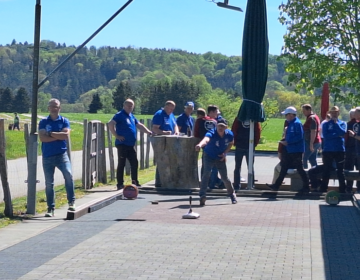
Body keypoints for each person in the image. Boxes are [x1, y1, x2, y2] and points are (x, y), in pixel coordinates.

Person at [38, 98, 75, 217]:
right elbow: (42, 138)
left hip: (61, 155)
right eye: (52, 106)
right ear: (48, 108)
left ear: (60, 108)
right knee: (49, 183)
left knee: (68, 175)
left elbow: (65, 136)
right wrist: (57, 136)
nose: (54, 108)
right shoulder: (43, 122)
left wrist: (49, 134)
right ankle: (50, 208)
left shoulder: (64, 121)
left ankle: (71, 202)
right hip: (47, 156)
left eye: (56, 106)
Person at [108, 99, 152, 190]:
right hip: (122, 144)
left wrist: (149, 132)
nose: (130, 107)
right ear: (124, 106)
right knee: (122, 163)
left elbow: (139, 125)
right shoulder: (119, 115)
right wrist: (117, 135)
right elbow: (110, 124)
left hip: (130, 144)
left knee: (134, 162)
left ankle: (135, 181)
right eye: (128, 105)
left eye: (131, 106)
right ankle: (120, 184)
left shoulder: (131, 116)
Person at [266, 106, 309, 193]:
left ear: (291, 115)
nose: (285, 117)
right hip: (290, 150)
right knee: (284, 167)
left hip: (296, 150)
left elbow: (300, 137)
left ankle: (307, 186)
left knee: (299, 168)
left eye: (286, 115)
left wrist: (288, 142)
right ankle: (276, 185)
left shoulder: (297, 123)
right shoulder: (291, 123)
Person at [195, 118, 237, 206]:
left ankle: (232, 195)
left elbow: (231, 143)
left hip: (219, 156)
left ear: (226, 127)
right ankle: (202, 195)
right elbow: (206, 139)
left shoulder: (229, 134)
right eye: (219, 126)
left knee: (224, 177)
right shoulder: (211, 133)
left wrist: (225, 153)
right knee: (206, 174)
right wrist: (199, 145)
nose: (220, 128)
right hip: (209, 155)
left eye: (222, 126)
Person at [152, 100, 179, 187]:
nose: (171, 111)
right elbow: (155, 129)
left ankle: (168, 180)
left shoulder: (171, 115)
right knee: (162, 161)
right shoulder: (159, 114)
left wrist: (176, 131)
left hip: (171, 141)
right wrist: (164, 132)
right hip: (162, 141)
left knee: (171, 161)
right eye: (170, 109)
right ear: (166, 107)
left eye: (173, 109)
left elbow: (175, 125)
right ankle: (159, 181)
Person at [320, 106, 347, 193]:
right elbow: (326, 136)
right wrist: (336, 135)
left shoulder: (343, 123)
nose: (334, 114)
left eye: (336, 112)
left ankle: (342, 189)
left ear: (338, 113)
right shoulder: (326, 124)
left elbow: (342, 133)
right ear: (330, 114)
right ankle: (323, 188)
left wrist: (336, 125)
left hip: (339, 150)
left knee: (340, 171)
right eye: (332, 112)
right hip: (328, 150)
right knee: (326, 170)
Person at [231, 118, 261, 190]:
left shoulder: (239, 118)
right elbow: (258, 131)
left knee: (239, 166)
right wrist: (255, 143)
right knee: (249, 166)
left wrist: (235, 142)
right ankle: (249, 184)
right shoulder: (253, 119)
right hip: (246, 145)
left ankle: (238, 185)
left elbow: (234, 130)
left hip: (243, 145)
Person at [344, 109, 360, 192]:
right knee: (358, 169)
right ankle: (358, 188)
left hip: (350, 150)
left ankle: (349, 188)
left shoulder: (348, 124)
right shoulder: (357, 124)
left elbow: (345, 138)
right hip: (356, 150)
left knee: (349, 169)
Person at [301, 104, 321, 169]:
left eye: (304, 111)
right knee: (312, 159)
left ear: (309, 110)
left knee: (304, 158)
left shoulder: (311, 118)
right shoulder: (314, 117)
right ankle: (316, 174)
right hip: (316, 141)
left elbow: (313, 131)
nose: (303, 113)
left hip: (312, 141)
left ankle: (305, 173)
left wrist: (311, 144)